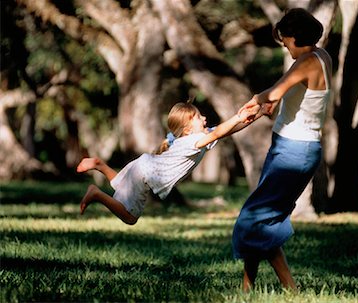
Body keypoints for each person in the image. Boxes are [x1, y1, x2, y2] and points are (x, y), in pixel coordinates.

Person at [232, 8, 332, 291]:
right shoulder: (320, 56)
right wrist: (273, 108)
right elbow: (299, 97)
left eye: (286, 40)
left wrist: (254, 101)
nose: (285, 46)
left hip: (293, 152)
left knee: (255, 219)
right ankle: (246, 288)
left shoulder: (307, 61)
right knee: (262, 216)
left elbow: (272, 92)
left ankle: (290, 288)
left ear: (296, 37)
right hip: (291, 147)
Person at [76, 101, 258, 225]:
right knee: (130, 218)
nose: (204, 119)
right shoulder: (194, 140)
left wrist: (256, 115)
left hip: (143, 166)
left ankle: (100, 165)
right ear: (187, 129)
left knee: (119, 185)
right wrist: (238, 117)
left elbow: (225, 131)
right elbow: (219, 133)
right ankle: (97, 194)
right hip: (145, 172)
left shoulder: (197, 136)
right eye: (198, 117)